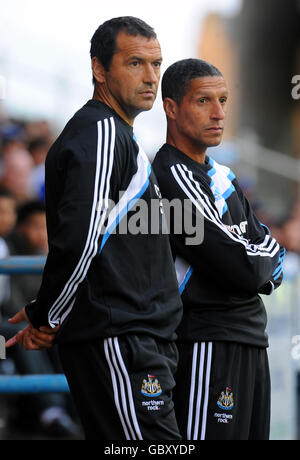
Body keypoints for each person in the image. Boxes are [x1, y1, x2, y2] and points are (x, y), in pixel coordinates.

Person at [6, 17, 183, 441]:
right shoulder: (102, 131)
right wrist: (47, 315)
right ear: (99, 69)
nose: (151, 77)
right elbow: (80, 240)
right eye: (136, 63)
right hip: (121, 339)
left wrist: (49, 310)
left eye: (157, 65)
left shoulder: (117, 134)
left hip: (132, 337)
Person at [152, 58, 285, 440]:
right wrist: (261, 257)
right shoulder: (171, 177)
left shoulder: (222, 175)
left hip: (249, 339)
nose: (219, 113)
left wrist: (261, 257)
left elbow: (268, 248)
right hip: (208, 342)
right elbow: (248, 266)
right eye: (203, 101)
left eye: (223, 100)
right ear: (171, 107)